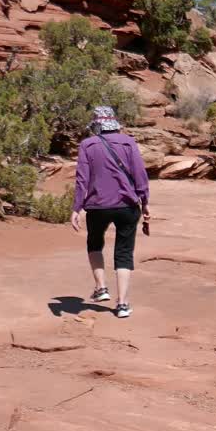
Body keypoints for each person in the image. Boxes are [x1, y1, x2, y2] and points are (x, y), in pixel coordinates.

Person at [70, 106, 150, 319]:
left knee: (94, 243)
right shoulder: (128, 142)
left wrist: (76, 207)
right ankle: (122, 304)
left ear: (96, 124)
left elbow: (82, 179)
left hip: (97, 205)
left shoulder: (87, 145)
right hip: (127, 205)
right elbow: (140, 174)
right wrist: (145, 201)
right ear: (114, 122)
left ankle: (101, 288)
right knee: (124, 252)